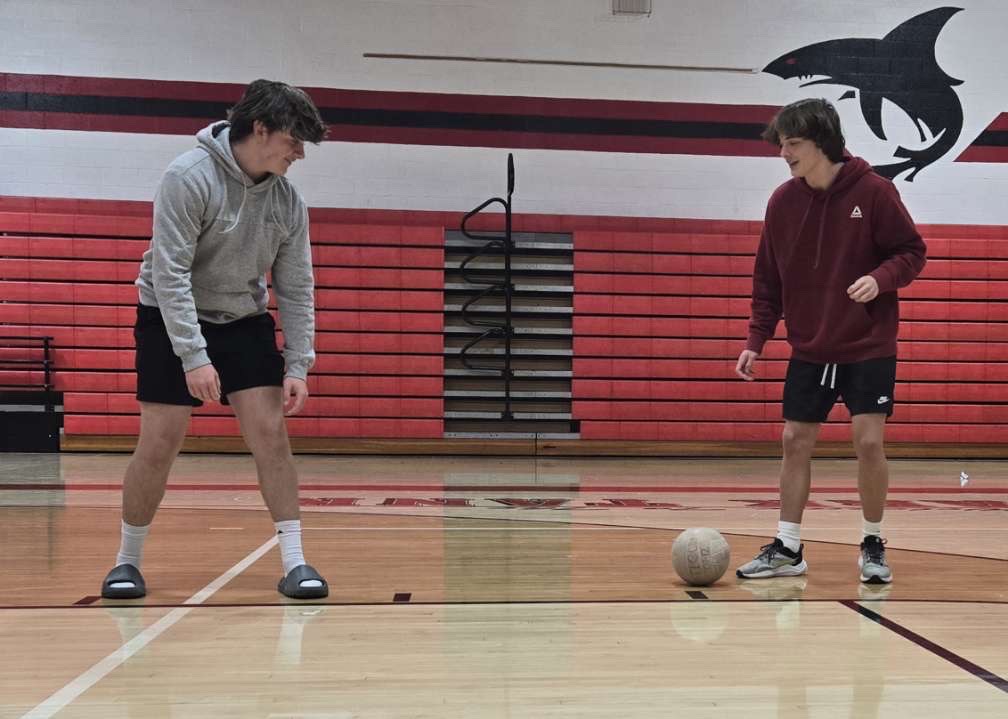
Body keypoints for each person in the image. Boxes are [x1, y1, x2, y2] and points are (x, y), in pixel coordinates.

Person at [101, 79, 329, 600]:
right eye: (295, 140)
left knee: (271, 436)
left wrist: (298, 364)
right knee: (159, 443)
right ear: (261, 128)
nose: (299, 153)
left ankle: (294, 561)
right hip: (169, 316)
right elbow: (170, 274)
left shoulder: (288, 202)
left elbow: (295, 286)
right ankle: (126, 562)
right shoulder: (188, 177)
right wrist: (194, 356)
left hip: (242, 320)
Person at [734, 98, 926, 584]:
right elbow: (767, 279)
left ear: (822, 141)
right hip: (811, 345)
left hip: (868, 344)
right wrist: (757, 338)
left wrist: (881, 279)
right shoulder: (782, 201)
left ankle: (872, 542)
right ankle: (788, 547)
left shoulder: (875, 192)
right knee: (794, 441)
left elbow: (911, 252)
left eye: (793, 143)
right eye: (781, 143)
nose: (784, 153)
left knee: (867, 443)